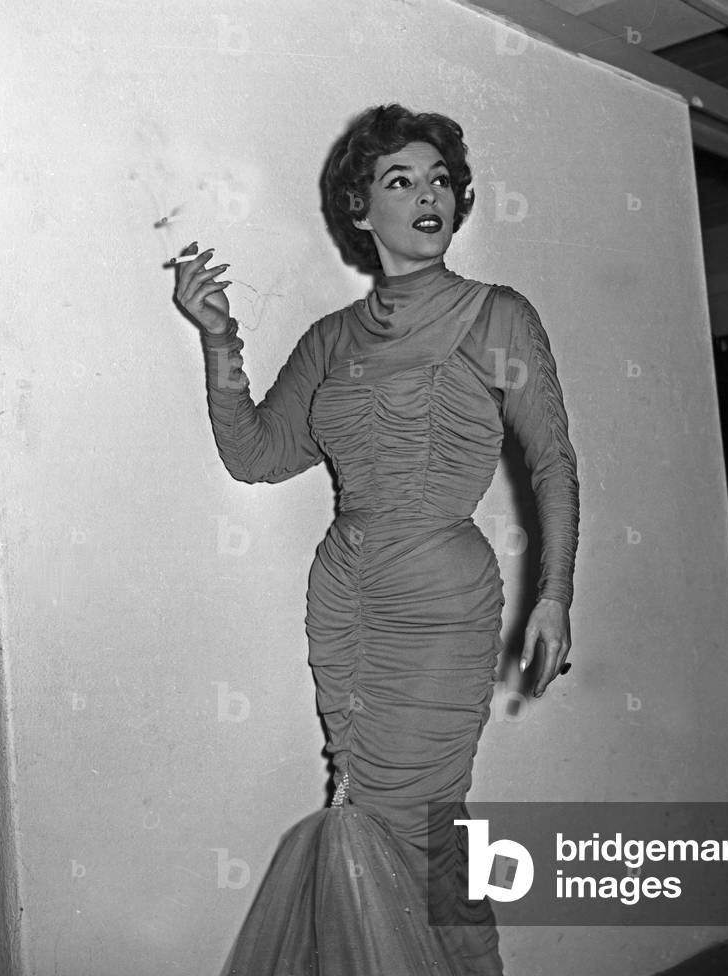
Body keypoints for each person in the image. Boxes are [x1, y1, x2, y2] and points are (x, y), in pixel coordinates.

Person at [173, 104, 580, 975]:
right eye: (400, 180)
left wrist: (555, 597)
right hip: (345, 595)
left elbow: (552, 462)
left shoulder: (498, 316)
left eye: (440, 179)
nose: (428, 195)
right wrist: (217, 340)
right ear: (361, 210)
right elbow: (257, 455)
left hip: (439, 595)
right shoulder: (331, 341)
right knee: (356, 800)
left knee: (428, 822)